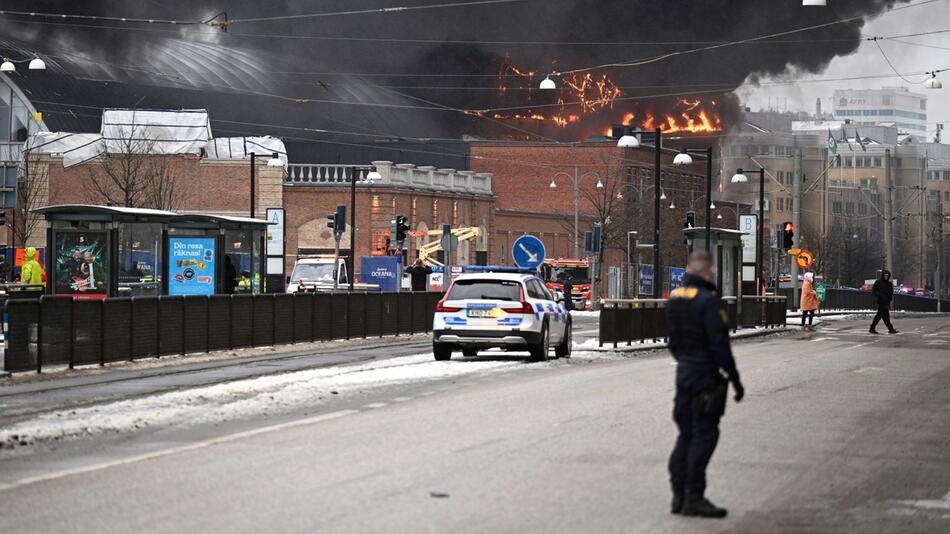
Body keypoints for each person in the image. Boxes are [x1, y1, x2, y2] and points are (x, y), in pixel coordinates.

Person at [665, 250, 744, 518]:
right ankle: (694, 497)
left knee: (685, 434)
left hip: (684, 373)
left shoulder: (675, 299)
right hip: (705, 377)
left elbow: (672, 342)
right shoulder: (709, 302)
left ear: (689, 269)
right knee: (705, 434)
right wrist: (734, 379)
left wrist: (686, 361)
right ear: (708, 271)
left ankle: (678, 495)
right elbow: (720, 346)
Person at [870, 269, 898, 334]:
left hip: (886, 302)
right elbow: (874, 290)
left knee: (880, 316)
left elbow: (891, 293)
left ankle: (872, 328)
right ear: (883, 275)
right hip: (881, 301)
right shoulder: (878, 282)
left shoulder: (889, 284)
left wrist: (889, 299)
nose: (886, 276)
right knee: (885, 316)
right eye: (885, 275)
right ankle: (890, 329)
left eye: (887, 276)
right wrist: (879, 295)